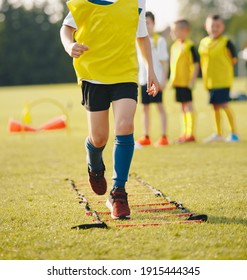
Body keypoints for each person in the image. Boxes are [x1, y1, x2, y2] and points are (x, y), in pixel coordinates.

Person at [60, 0, 159, 220]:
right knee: (99, 138)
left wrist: (150, 69)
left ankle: (118, 193)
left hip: (125, 73)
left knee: (125, 125)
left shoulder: (137, 1)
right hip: (93, 74)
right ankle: (94, 165)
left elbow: (141, 35)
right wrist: (69, 46)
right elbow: (67, 28)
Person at [199, 14, 239, 143]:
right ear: (206, 26)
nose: (215, 28)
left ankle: (234, 134)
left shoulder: (226, 42)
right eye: (212, 26)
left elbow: (233, 60)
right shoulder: (203, 43)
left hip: (223, 81)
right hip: (210, 81)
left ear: (223, 27)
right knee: (215, 106)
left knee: (224, 104)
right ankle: (218, 133)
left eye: (218, 26)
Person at [136, 11, 169, 147]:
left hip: (156, 81)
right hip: (143, 80)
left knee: (160, 107)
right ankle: (146, 136)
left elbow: (164, 62)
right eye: (143, 23)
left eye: (148, 23)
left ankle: (164, 136)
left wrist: (164, 80)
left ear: (153, 24)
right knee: (145, 108)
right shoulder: (138, 40)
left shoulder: (159, 40)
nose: (146, 26)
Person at [170, 19, 200, 143]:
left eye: (174, 31)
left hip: (186, 82)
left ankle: (190, 133)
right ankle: (184, 133)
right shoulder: (174, 46)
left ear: (185, 31)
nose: (173, 33)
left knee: (188, 107)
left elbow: (196, 64)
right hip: (177, 83)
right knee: (182, 108)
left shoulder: (190, 46)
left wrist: (192, 80)